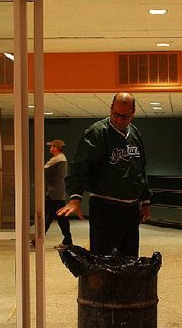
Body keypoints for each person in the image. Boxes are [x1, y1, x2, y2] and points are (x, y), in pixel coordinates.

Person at [57, 92, 151, 257]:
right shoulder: (96, 133)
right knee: (104, 259)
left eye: (125, 116)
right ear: (110, 109)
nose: (120, 120)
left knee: (129, 259)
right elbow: (80, 167)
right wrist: (75, 198)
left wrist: (145, 201)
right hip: (105, 208)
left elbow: (140, 169)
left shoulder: (135, 134)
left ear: (133, 112)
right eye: (116, 114)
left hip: (130, 210)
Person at [43, 139, 73, 248]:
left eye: (51, 146)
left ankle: (37, 240)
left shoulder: (56, 160)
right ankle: (68, 240)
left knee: (47, 217)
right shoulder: (62, 159)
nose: (50, 148)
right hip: (58, 193)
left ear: (56, 148)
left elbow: (43, 171)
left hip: (53, 193)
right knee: (61, 217)